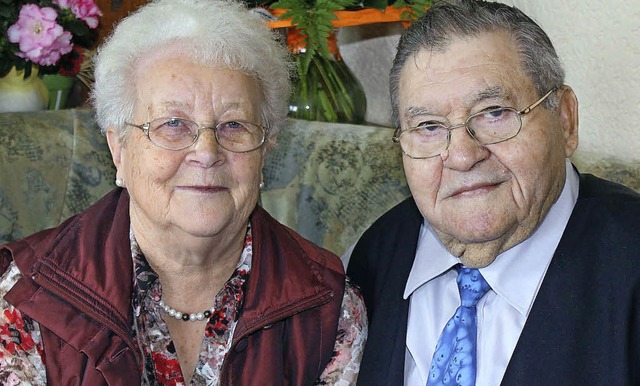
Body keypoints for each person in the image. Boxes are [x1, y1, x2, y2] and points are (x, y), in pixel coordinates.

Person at [0, 0, 367, 384]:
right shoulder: (23, 297)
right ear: (119, 150)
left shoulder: (331, 310)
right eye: (173, 123)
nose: (207, 153)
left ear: (265, 150)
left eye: (234, 125)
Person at [345, 0, 640, 385]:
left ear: (565, 119)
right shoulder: (370, 260)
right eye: (429, 126)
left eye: (494, 112)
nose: (464, 156)